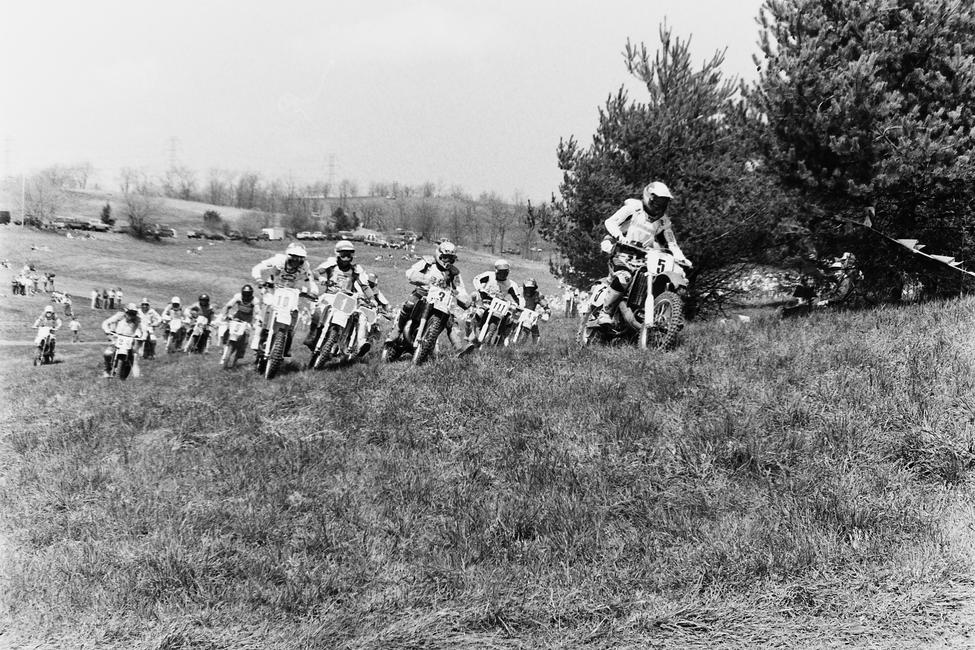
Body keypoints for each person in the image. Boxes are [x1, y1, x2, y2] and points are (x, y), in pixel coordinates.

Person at [598, 180, 691, 325]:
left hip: (644, 258)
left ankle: (667, 316)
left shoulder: (663, 221)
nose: (659, 205)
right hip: (622, 254)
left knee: (664, 280)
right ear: (649, 196)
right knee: (624, 277)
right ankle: (605, 313)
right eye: (657, 201)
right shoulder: (633, 208)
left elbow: (671, 242)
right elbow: (610, 222)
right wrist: (620, 237)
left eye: (663, 202)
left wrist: (681, 258)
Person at [387, 240, 474, 355]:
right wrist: (425, 279)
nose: (448, 260)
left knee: (450, 320)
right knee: (410, 304)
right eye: (445, 257)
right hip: (423, 293)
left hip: (441, 301)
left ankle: (459, 347)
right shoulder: (428, 262)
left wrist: (462, 297)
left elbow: (460, 288)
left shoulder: (454, 272)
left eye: (451, 258)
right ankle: (396, 330)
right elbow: (410, 272)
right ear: (439, 255)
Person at [303, 241, 376, 357]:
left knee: (358, 317)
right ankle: (312, 336)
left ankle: (355, 343)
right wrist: (321, 278)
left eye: (349, 254)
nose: (346, 258)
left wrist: (372, 298)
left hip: (346, 299)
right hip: (330, 295)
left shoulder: (356, 269)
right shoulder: (331, 264)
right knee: (318, 311)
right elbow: (315, 272)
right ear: (337, 254)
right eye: (343, 254)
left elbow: (364, 285)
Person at [251, 243, 319, 356]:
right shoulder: (278, 260)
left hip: (291, 293)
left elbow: (310, 281)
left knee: (294, 314)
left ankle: (286, 344)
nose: (296, 260)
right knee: (266, 307)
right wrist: (259, 280)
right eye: (293, 257)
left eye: (300, 258)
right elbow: (257, 268)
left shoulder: (305, 266)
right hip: (273, 289)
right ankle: (259, 337)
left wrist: (313, 292)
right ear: (288, 255)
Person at [469, 259, 524, 342]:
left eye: (505, 272)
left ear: (508, 272)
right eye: (501, 272)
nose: (503, 274)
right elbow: (476, 279)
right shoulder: (489, 275)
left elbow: (518, 297)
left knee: (509, 320)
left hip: (500, 307)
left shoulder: (511, 284)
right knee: (478, 314)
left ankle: (502, 338)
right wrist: (480, 289)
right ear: (496, 271)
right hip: (485, 303)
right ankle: (472, 334)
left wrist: (519, 306)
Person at [101, 303, 145, 377]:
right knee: (107, 354)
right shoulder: (120, 316)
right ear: (126, 312)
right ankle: (107, 370)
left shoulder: (138, 319)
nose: (131, 315)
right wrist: (107, 330)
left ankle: (127, 373)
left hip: (129, 341)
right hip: (117, 338)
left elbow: (142, 329)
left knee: (133, 357)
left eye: (133, 313)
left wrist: (139, 334)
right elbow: (106, 322)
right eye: (129, 313)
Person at [219, 283, 260, 358]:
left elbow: (257, 312)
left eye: (248, 294)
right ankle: (223, 345)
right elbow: (228, 305)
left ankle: (242, 351)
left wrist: (257, 320)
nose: (246, 296)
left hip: (248, 318)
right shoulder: (238, 297)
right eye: (245, 293)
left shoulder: (254, 300)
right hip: (238, 315)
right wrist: (225, 315)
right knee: (229, 328)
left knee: (246, 333)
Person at [520, 278, 550, 343]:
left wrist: (547, 312)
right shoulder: (520, 292)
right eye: (527, 288)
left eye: (531, 288)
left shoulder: (537, 294)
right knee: (509, 324)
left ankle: (535, 346)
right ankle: (503, 339)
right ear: (524, 287)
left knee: (534, 328)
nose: (529, 290)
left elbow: (544, 304)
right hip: (519, 312)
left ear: (534, 288)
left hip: (529, 315)